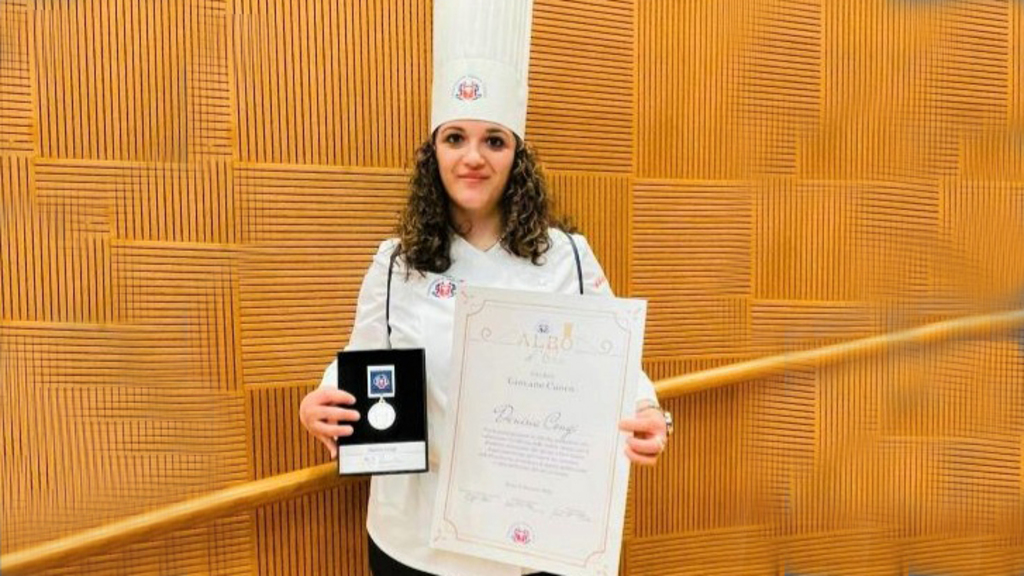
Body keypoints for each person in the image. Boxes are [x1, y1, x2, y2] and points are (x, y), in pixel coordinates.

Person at [299, 1, 671, 574]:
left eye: (493, 140)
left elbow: (615, 368)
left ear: (516, 155)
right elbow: (363, 358)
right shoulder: (397, 264)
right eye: (455, 138)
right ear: (434, 152)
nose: (473, 157)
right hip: (415, 537)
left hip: (532, 540)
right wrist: (322, 401)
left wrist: (648, 411)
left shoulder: (567, 258)